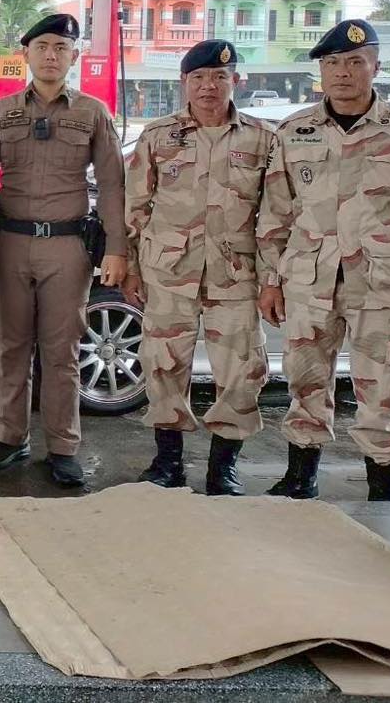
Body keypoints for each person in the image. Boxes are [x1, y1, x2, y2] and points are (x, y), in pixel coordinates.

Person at [257, 19, 390, 501]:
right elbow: (275, 211)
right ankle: (300, 476)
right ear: (321, 71)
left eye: (355, 62)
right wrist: (270, 280)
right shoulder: (295, 131)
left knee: (382, 385)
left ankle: (383, 485)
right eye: (333, 63)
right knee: (305, 377)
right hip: (308, 279)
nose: (343, 73)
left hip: (380, 279)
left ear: (375, 66)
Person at [0, 13, 127, 489]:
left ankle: (62, 446)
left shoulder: (92, 113)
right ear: (25, 54)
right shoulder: (3, 112)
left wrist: (117, 248)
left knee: (61, 352)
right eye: (41, 46)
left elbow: (112, 184)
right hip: (11, 243)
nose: (50, 55)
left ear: (74, 56)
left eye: (61, 48)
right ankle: (10, 436)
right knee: (12, 346)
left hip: (68, 247)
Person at [123, 40, 272, 495]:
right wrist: (131, 267)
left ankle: (222, 467)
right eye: (199, 78)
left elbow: (278, 213)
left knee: (242, 371)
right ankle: (167, 462)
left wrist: (273, 278)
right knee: (163, 366)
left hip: (236, 275)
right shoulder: (158, 136)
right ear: (184, 83)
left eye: (219, 77)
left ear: (236, 82)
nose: (209, 86)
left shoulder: (263, 138)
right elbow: (135, 206)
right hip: (169, 273)